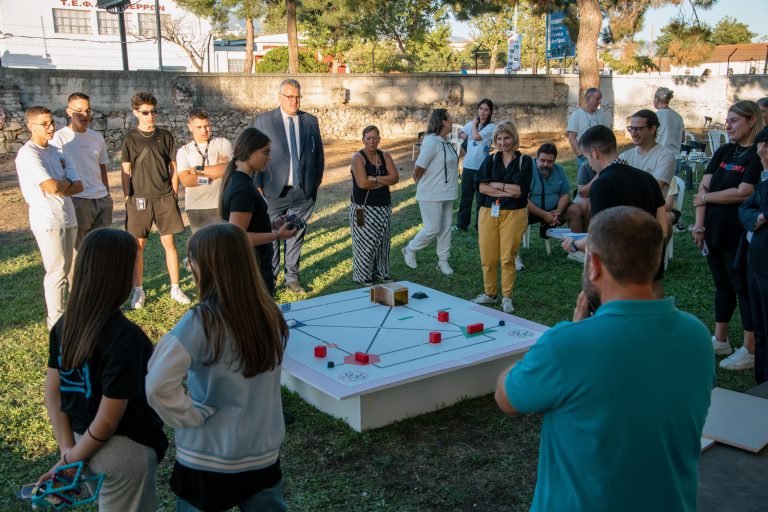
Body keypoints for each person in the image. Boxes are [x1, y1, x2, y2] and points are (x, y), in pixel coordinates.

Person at [495, 205, 714, 512]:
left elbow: (507, 398)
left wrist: (569, 336)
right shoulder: (697, 337)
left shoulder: (565, 346)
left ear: (594, 265)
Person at [146, 223, 289, 512]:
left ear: (206, 267)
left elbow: (157, 384)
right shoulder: (269, 314)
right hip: (262, 451)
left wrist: (190, 416)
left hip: (208, 456)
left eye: (191, 263)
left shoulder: (201, 321)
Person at [40, 228, 168, 511]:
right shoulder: (124, 336)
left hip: (81, 443)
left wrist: (68, 451)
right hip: (123, 450)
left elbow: (53, 393)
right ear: (119, 274)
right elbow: (109, 419)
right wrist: (69, 460)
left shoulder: (64, 325)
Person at [693, 100, 764, 371]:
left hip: (739, 231)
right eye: (728, 120)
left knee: (743, 287)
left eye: (734, 120)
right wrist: (699, 225)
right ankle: (720, 339)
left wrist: (707, 197)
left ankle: (750, 348)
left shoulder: (757, 155)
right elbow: (703, 185)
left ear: (752, 121)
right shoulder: (724, 150)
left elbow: (744, 191)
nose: (728, 125)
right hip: (714, 230)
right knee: (722, 285)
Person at [563, 125, 668, 297]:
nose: (588, 163)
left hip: (618, 264)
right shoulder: (648, 179)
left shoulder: (601, 185)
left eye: (587, 157)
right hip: (650, 256)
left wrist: (573, 244)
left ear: (595, 153)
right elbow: (662, 224)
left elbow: (598, 238)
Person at [253, 79, 325, 295]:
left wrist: (315, 183)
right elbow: (255, 154)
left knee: (296, 233)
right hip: (274, 190)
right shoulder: (264, 121)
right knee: (272, 234)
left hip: (303, 192)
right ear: (280, 97)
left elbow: (318, 154)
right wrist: (258, 186)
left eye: (298, 97)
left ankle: (292, 278)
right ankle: (271, 278)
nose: (294, 101)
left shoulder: (310, 121)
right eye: (290, 96)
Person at [15, 106, 82, 329]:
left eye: (51, 122)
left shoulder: (57, 152)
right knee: (56, 270)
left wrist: (63, 185)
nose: (51, 127)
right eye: (44, 124)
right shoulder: (28, 154)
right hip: (47, 219)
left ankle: (73, 314)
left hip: (68, 216)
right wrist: (64, 184)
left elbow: (78, 185)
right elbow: (51, 186)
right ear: (30, 126)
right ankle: (55, 320)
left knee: (72, 269)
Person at [121, 91, 190, 309]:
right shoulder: (130, 139)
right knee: (138, 246)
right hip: (139, 198)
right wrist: (127, 197)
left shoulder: (165, 136)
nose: (151, 116)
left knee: (169, 243)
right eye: (145, 112)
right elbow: (125, 170)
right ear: (136, 113)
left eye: (153, 111)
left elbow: (174, 167)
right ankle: (138, 291)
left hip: (164, 198)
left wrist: (173, 193)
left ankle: (175, 288)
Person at [220, 128, 297, 297]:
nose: (269, 157)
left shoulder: (241, 181)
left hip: (253, 264)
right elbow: (238, 236)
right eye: (265, 152)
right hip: (252, 267)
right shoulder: (243, 188)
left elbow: (247, 224)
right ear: (249, 152)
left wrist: (271, 225)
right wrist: (277, 235)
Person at [470, 120, 532, 313]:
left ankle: (506, 296)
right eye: (499, 138)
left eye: (507, 138)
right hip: (488, 212)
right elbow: (481, 186)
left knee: (507, 257)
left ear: (514, 138)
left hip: (514, 214)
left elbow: (520, 191)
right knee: (487, 257)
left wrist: (496, 185)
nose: (503, 142)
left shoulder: (525, 161)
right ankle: (490, 294)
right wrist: (507, 191)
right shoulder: (491, 160)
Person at [51, 92, 113, 248]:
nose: (84, 115)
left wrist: (107, 194)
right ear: (68, 111)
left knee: (101, 247)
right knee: (80, 248)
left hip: (101, 198)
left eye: (88, 110)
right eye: (79, 110)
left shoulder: (97, 137)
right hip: (78, 199)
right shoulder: (58, 139)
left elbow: (102, 167)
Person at [402, 108, 459, 276]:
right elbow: (419, 167)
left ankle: (443, 261)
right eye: (450, 119)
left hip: (447, 192)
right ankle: (410, 249)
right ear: (443, 121)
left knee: (446, 228)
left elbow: (457, 157)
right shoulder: (431, 141)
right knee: (433, 228)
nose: (452, 121)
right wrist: (419, 180)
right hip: (431, 193)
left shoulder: (446, 142)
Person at [349, 125, 400, 286]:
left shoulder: (385, 156)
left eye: (375, 138)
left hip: (383, 206)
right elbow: (363, 183)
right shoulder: (358, 158)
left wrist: (376, 179)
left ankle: (381, 272)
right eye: (369, 138)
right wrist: (382, 180)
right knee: (364, 241)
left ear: (379, 139)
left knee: (383, 241)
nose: (372, 141)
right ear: (363, 139)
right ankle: (363, 275)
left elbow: (395, 178)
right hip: (362, 208)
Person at [739, 127, 768, 383]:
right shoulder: (764, 179)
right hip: (756, 257)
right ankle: (762, 379)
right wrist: (758, 218)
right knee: (760, 326)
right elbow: (746, 208)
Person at [619, 109, 679, 228]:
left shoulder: (665, 156)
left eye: (639, 129)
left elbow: (653, 189)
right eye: (631, 128)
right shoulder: (624, 156)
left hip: (653, 210)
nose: (633, 133)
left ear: (652, 129)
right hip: (626, 209)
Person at [176, 108, 233, 233]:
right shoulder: (184, 151)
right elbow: (187, 180)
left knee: (223, 247)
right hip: (197, 208)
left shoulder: (223, 143)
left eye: (206, 126)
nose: (204, 130)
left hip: (221, 205)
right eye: (199, 127)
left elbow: (227, 170)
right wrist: (210, 177)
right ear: (190, 127)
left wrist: (198, 169)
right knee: (201, 249)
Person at [567, 88, 611, 225]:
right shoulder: (576, 115)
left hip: (601, 157)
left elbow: (607, 133)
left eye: (600, 99)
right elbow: (572, 137)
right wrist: (580, 155)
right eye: (597, 99)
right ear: (588, 98)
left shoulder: (602, 114)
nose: (599, 102)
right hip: (585, 157)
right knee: (584, 187)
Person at [455, 99, 495, 231]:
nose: (482, 112)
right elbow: (459, 132)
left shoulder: (491, 127)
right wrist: (464, 134)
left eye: (486, 110)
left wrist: (472, 128)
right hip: (468, 166)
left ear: (490, 112)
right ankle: (462, 225)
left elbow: (477, 136)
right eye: (481, 109)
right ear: (478, 110)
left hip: (481, 167)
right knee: (466, 198)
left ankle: (480, 226)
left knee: (481, 199)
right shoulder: (472, 123)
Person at [527, 143, 584, 233]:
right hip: (531, 213)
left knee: (575, 210)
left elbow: (565, 194)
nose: (546, 164)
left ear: (555, 161)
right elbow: (524, 200)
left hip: (554, 212)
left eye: (550, 161)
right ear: (537, 158)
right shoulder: (528, 169)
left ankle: (575, 244)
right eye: (542, 160)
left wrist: (559, 210)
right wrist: (544, 215)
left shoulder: (559, 170)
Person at [653, 87, 685, 153]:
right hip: (676, 157)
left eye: (654, 98)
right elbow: (682, 139)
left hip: (661, 156)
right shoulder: (679, 117)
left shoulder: (656, 116)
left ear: (657, 99)